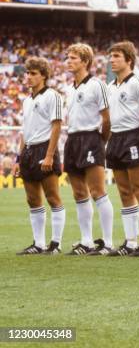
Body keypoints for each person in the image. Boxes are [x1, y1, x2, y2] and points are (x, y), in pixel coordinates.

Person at [106, 42, 139, 257]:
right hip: (115, 139)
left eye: (116, 56)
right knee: (124, 192)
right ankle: (130, 241)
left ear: (129, 60)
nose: (112, 60)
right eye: (111, 56)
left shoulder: (138, 83)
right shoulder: (109, 87)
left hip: (134, 136)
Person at [64, 43, 115, 256]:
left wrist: (99, 141)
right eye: (68, 57)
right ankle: (86, 241)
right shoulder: (68, 88)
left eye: (73, 58)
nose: (69, 61)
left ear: (85, 61)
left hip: (91, 138)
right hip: (73, 139)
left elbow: (107, 119)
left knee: (97, 191)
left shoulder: (97, 85)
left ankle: (107, 242)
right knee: (78, 192)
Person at [16, 57, 66, 255]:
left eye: (33, 73)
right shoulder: (27, 100)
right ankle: (38, 243)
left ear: (44, 75)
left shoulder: (52, 96)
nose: (28, 77)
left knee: (53, 197)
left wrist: (49, 155)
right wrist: (19, 159)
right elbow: (24, 131)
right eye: (27, 73)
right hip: (28, 150)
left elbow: (56, 126)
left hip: (44, 149)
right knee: (32, 199)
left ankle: (56, 243)